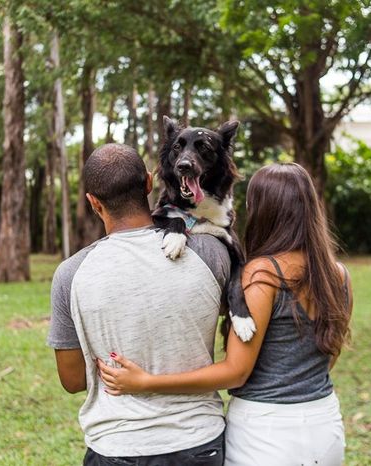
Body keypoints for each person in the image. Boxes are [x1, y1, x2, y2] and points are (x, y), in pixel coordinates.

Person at [99, 162, 354, 466]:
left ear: (263, 209)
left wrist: (147, 382)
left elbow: (236, 371)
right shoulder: (337, 275)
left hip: (266, 434)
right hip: (325, 425)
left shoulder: (264, 274)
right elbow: (329, 354)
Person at [47, 143, 234, 465]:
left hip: (116, 447)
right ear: (149, 183)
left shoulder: (70, 274)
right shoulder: (210, 252)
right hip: (200, 443)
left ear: (93, 202)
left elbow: (74, 380)